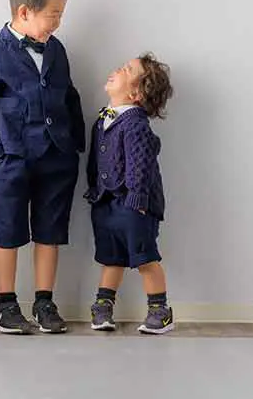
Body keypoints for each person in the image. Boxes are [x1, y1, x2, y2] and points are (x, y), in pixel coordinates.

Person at [0, 0, 85, 334]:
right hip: (13, 160)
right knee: (7, 229)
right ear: (24, 12)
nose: (58, 22)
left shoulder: (56, 49)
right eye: (53, 15)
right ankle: (5, 305)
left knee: (50, 230)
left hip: (57, 157)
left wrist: (75, 144)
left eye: (61, 15)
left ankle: (44, 302)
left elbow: (68, 95)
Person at [85, 53, 174, 334]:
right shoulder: (103, 120)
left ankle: (160, 310)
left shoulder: (135, 124)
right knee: (111, 256)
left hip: (134, 204)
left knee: (144, 256)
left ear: (136, 93)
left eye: (126, 70)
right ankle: (103, 305)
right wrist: (94, 190)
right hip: (106, 202)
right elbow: (94, 162)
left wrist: (137, 198)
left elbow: (140, 163)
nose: (117, 69)